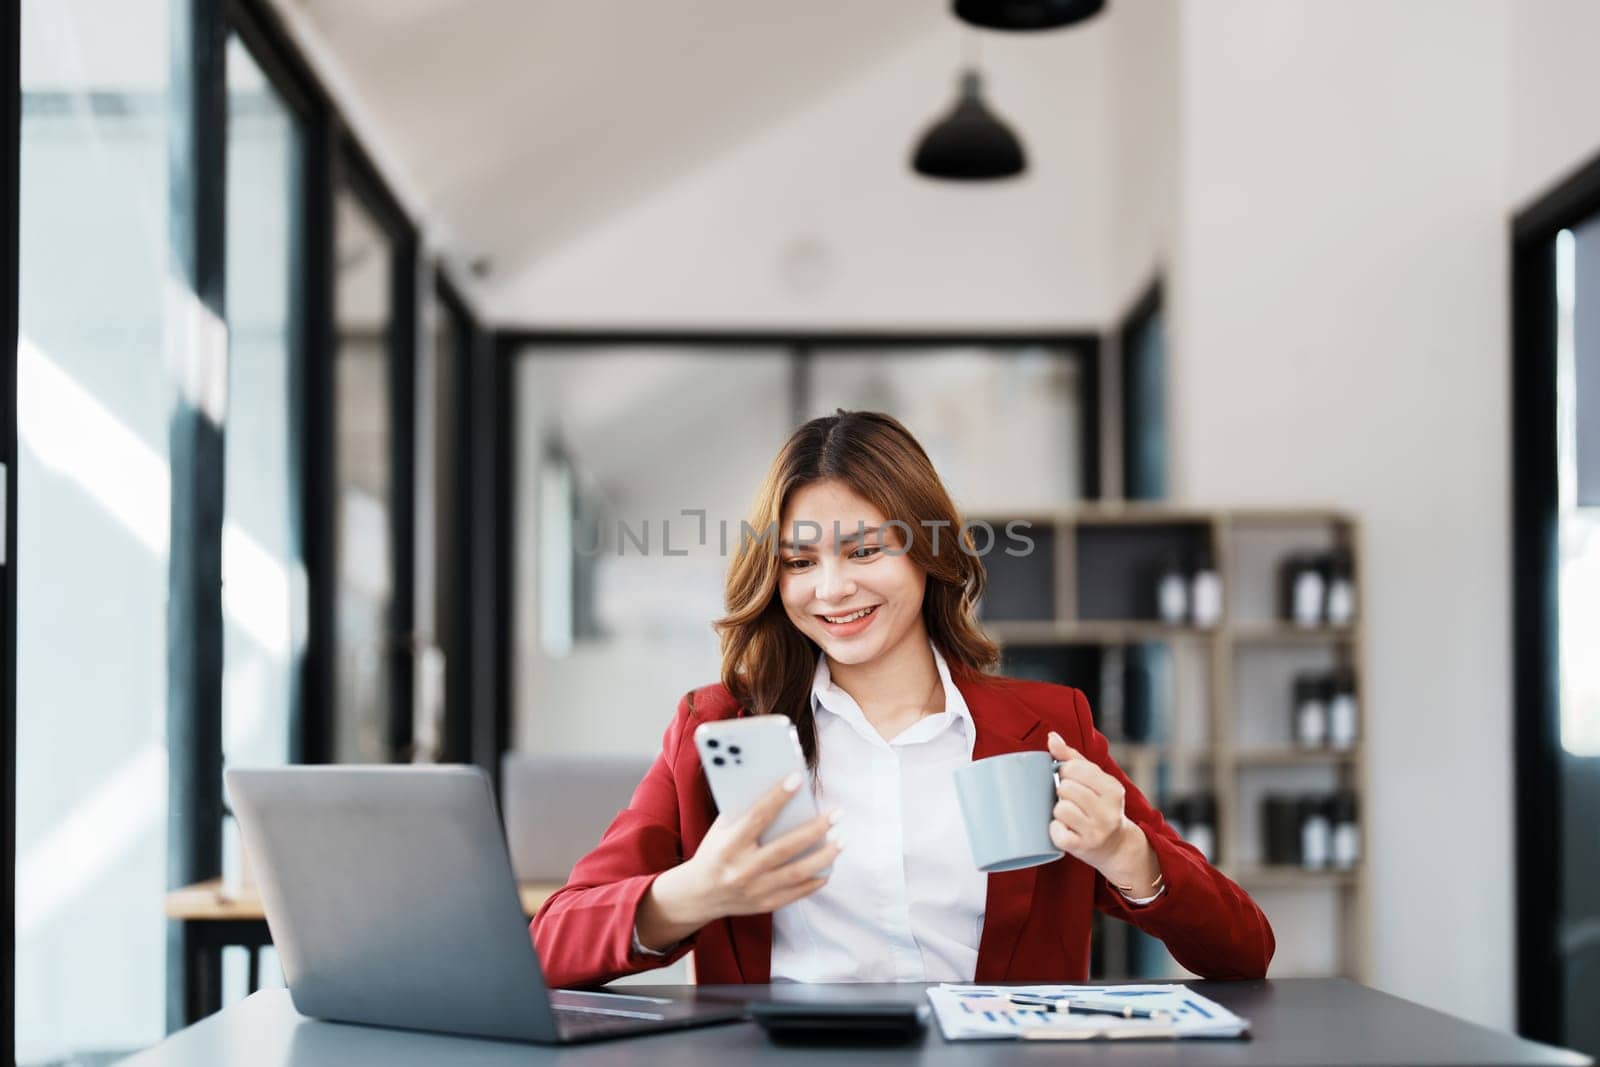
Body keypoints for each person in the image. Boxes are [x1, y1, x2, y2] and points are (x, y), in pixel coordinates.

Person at [530, 410, 1274, 987]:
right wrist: (692, 892)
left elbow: (1244, 950)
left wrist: (1125, 852)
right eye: (798, 560)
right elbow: (549, 940)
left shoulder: (1047, 727)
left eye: (863, 550)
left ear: (928, 551)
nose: (832, 588)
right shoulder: (719, 726)